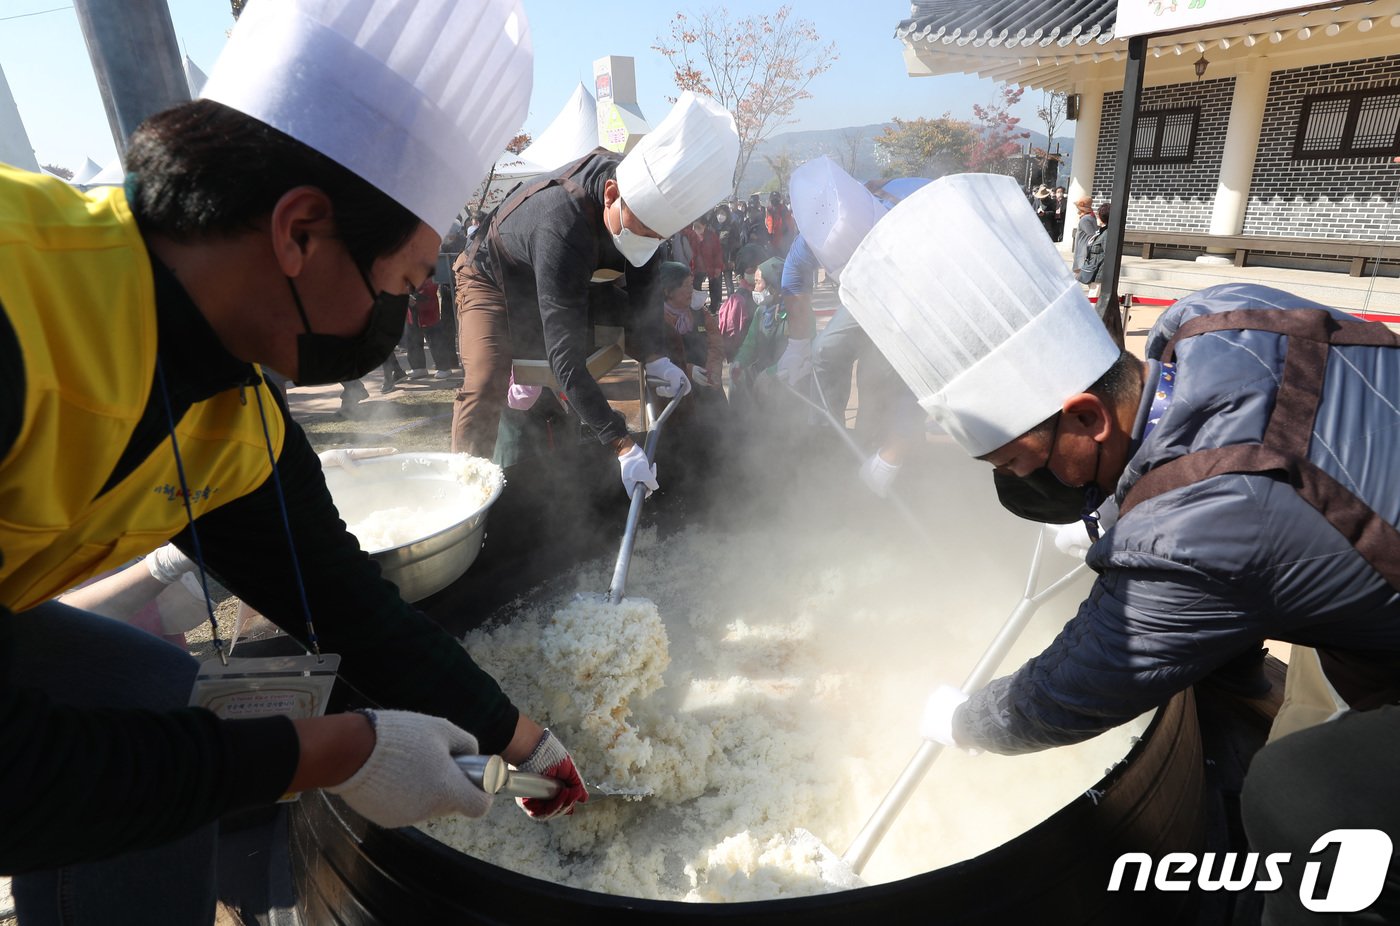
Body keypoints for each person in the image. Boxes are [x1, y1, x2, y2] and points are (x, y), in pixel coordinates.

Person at [0, 2, 592, 922]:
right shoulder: (18, 302)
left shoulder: (232, 414)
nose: (398, 321)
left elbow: (349, 606)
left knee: (155, 698)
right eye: (399, 285)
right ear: (298, 231)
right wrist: (337, 751)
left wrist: (523, 739)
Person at [841, 172, 1400, 921]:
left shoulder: (1193, 529)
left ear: (1087, 417)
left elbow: (1069, 693)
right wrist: (1124, 506)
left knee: (1297, 800)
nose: (1021, 485)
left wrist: (966, 721)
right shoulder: (1209, 320)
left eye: (1018, 463)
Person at [449, 91, 739, 490]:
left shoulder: (643, 216)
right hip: (492, 277)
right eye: (640, 232)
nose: (646, 242)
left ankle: (681, 457)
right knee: (485, 380)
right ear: (611, 195)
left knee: (666, 340)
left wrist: (656, 358)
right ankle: (464, 493)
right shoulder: (560, 223)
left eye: (655, 237)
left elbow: (642, 305)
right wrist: (620, 442)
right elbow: (564, 357)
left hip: (573, 278)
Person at [791, 158, 929, 497]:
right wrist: (796, 346)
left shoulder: (922, 212)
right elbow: (794, 279)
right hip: (863, 294)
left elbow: (926, 377)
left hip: (919, 290)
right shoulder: (821, 226)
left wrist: (893, 454)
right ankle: (828, 434)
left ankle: (890, 458)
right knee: (825, 349)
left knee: (883, 373)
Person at [683, 212, 724, 311]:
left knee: (714, 288)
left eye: (698, 226)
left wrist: (718, 267)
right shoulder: (691, 235)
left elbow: (718, 253)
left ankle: (714, 307)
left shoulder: (712, 236)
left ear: (705, 226)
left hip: (711, 266)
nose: (695, 228)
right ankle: (697, 308)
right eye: (694, 226)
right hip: (696, 268)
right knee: (696, 288)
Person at [1070, 195, 1098, 277]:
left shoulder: (1085, 219)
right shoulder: (1090, 217)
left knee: (1080, 275)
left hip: (1083, 251)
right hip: (1084, 250)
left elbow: (1091, 235)